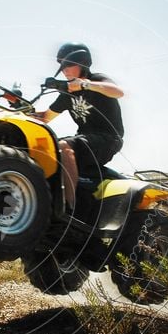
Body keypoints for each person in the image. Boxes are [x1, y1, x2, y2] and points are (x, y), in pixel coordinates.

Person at [34, 42, 125, 209]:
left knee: (63, 145)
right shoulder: (68, 93)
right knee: (47, 147)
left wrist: (85, 84)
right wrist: (20, 110)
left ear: (83, 62)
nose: (64, 70)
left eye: (68, 64)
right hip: (85, 139)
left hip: (108, 138)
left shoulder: (96, 80)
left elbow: (118, 91)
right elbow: (46, 117)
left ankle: (69, 208)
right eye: (61, 66)